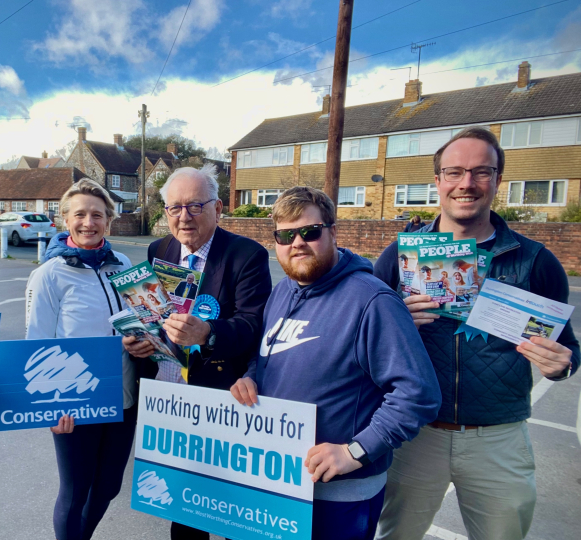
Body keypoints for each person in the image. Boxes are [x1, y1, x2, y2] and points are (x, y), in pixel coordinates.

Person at [373, 127, 580, 540]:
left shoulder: (536, 261)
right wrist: (395, 325)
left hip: (499, 439)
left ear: (498, 180)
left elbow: (568, 347)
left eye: (481, 172)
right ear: (438, 182)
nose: (466, 183)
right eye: (454, 172)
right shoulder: (399, 255)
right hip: (415, 434)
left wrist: (564, 365)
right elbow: (362, 338)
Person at [230, 186, 441, 540]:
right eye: (284, 235)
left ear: (332, 232)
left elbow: (417, 394)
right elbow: (265, 352)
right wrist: (250, 377)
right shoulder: (282, 290)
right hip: (277, 481)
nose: (297, 242)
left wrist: (356, 451)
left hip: (338, 494)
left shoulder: (372, 301)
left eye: (309, 232)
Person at [123, 163, 272, 540]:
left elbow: (255, 324)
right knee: (184, 508)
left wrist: (208, 332)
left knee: (231, 509)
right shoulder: (159, 249)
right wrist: (140, 339)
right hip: (169, 398)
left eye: (194, 206)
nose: (183, 217)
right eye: (174, 207)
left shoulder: (246, 255)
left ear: (218, 208)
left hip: (223, 397)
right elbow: (152, 315)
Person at [25, 178, 137, 540]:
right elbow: (36, 345)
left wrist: (142, 342)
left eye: (97, 215)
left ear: (109, 219)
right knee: (75, 494)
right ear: (64, 220)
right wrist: (48, 408)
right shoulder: (49, 274)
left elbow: (143, 321)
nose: (88, 222)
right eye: (80, 215)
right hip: (73, 401)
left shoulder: (123, 264)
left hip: (123, 397)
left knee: (108, 488)